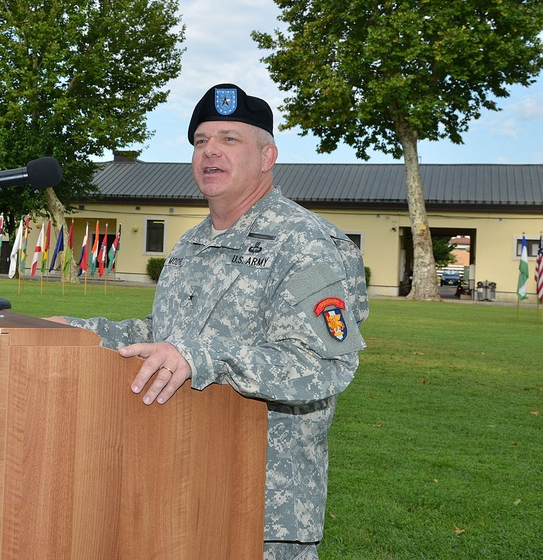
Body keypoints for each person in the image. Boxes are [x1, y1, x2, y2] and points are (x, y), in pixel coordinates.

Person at [54, 84, 368, 560]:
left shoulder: (305, 242)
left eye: (229, 139)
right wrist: (75, 331)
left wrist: (201, 357)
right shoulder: (192, 243)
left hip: (262, 510)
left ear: (267, 157)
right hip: (177, 488)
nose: (210, 152)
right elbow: (167, 336)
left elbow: (324, 366)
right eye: (200, 141)